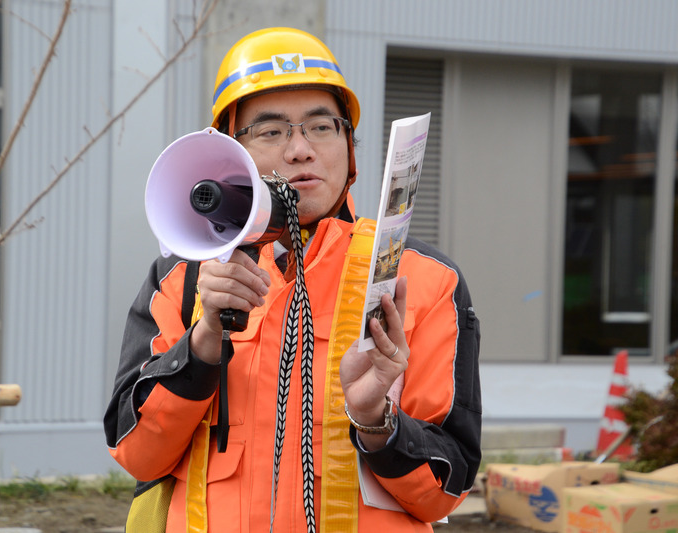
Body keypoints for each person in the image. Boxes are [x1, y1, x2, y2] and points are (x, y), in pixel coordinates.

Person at [104, 27, 481, 532]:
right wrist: (202, 347)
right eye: (271, 131)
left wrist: (376, 423)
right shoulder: (182, 279)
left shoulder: (422, 279)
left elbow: (445, 490)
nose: (301, 150)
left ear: (349, 146)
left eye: (321, 127)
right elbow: (135, 454)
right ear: (228, 156)